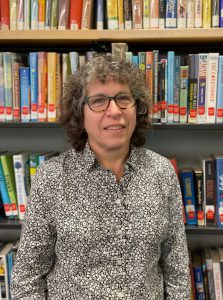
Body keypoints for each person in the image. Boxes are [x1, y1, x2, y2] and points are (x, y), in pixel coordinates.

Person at [11, 54, 190, 299]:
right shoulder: (51, 178)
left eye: (123, 98)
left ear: (136, 108)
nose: (114, 111)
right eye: (99, 101)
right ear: (80, 114)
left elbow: (176, 268)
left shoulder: (161, 172)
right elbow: (27, 279)